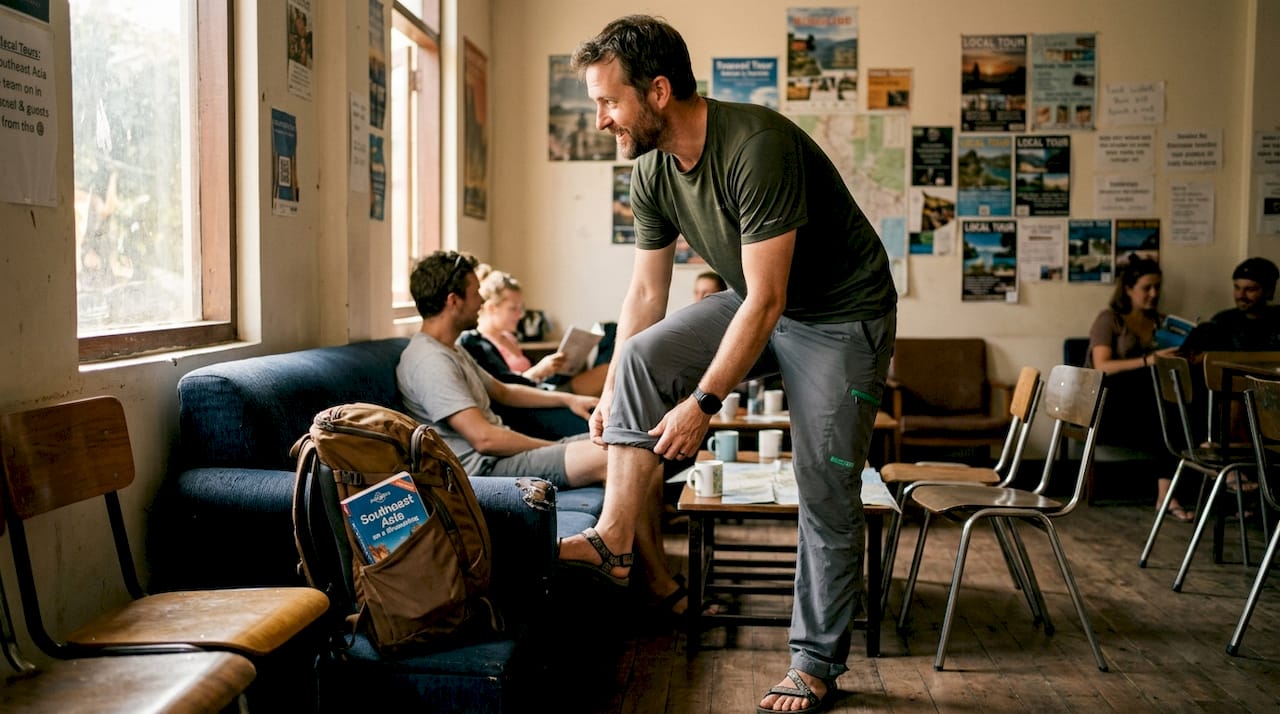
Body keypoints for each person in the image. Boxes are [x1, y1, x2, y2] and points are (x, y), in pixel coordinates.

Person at [556, 16, 897, 713]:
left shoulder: (756, 146)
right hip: (761, 302)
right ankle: (616, 541)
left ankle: (814, 663)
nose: (600, 119)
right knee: (640, 356)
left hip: (840, 316)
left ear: (658, 91)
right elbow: (645, 294)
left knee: (825, 486)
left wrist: (703, 404)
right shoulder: (651, 169)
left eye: (609, 101)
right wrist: (614, 390)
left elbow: (768, 299)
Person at [396, 251, 683, 609]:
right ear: (453, 301)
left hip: (499, 458)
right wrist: (549, 446)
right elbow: (484, 439)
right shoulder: (429, 361)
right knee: (622, 459)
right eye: (475, 292)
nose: (482, 300)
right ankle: (656, 582)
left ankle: (650, 571)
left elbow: (504, 391)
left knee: (641, 449)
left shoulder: (449, 350)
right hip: (483, 472)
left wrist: (568, 399)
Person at [1084, 258, 1186, 520]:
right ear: (1129, 289)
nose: (1154, 294)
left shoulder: (1162, 323)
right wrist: (1148, 360)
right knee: (1166, 404)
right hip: (1111, 406)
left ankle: (1166, 494)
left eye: (1158, 287)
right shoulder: (1110, 319)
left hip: (1151, 406)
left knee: (1172, 407)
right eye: (1147, 287)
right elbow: (1102, 366)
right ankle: (1172, 490)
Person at [459, 264, 608, 397]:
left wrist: (550, 369)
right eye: (513, 309)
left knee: (608, 340)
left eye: (521, 308)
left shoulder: (509, 338)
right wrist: (538, 370)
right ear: (491, 308)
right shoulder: (478, 346)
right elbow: (504, 388)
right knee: (604, 375)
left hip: (541, 388)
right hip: (534, 396)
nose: (520, 315)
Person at [1182, 257, 1280, 355]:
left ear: (1269, 291)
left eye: (1250, 289)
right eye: (1237, 288)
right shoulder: (1222, 321)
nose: (1240, 295)